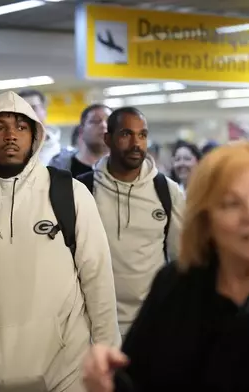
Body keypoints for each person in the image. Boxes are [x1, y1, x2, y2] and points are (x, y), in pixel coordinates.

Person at [83, 141, 249, 392]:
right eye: (232, 204)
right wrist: (108, 378)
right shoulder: (176, 284)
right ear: (205, 219)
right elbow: (137, 378)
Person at [0, 91, 120, 392]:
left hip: (70, 365)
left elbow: (97, 276)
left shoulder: (70, 193)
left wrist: (107, 349)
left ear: (34, 135)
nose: (10, 136)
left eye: (20, 126)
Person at [77, 106, 184, 337]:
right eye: (126, 134)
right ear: (109, 139)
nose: (136, 143)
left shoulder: (167, 191)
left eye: (142, 135)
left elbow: (180, 260)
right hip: (93, 325)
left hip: (152, 324)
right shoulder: (82, 189)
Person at [49, 104, 111, 178]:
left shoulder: (125, 166)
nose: (104, 125)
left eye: (109, 121)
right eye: (95, 121)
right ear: (81, 130)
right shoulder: (58, 166)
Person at [18, 89, 63, 165]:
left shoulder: (62, 152)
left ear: (44, 110)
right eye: (22, 109)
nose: (28, 113)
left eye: (33, 108)